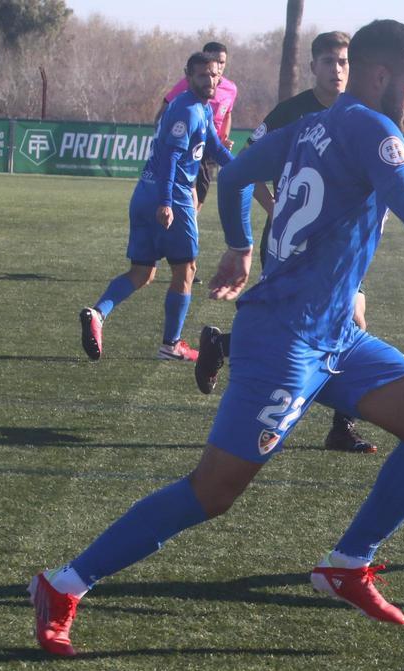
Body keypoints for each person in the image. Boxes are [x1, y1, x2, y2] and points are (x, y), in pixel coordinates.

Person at [31, 19, 404, 656]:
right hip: (287, 341)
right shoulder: (371, 128)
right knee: (212, 491)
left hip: (335, 334)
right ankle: (64, 583)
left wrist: (242, 246)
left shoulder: (313, 124)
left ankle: (348, 563)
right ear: (382, 76)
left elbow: (237, 173)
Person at [195, 31, 378, 454]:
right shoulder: (292, 112)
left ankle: (339, 426)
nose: (337, 70)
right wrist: (274, 207)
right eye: (329, 61)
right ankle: (246, 387)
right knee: (290, 329)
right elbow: (243, 165)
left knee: (350, 322)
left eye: (344, 62)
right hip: (292, 243)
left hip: (341, 248)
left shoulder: (360, 114)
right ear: (312, 66)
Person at [78, 52, 233, 362]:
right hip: (170, 198)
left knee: (143, 272)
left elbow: (215, 147)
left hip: (144, 195)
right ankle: (171, 344)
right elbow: (171, 160)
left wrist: (247, 170)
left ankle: (98, 313)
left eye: (214, 74)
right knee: (185, 270)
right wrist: (166, 203)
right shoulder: (187, 111)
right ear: (188, 76)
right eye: (202, 75)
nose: (210, 80)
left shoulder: (201, 109)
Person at [156, 41, 238, 212]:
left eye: (221, 62)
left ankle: (189, 217)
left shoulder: (227, 91)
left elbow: (227, 115)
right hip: (190, 144)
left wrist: (224, 139)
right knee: (189, 190)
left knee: (200, 192)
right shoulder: (188, 102)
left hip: (208, 143)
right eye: (214, 60)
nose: (217, 67)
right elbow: (165, 109)